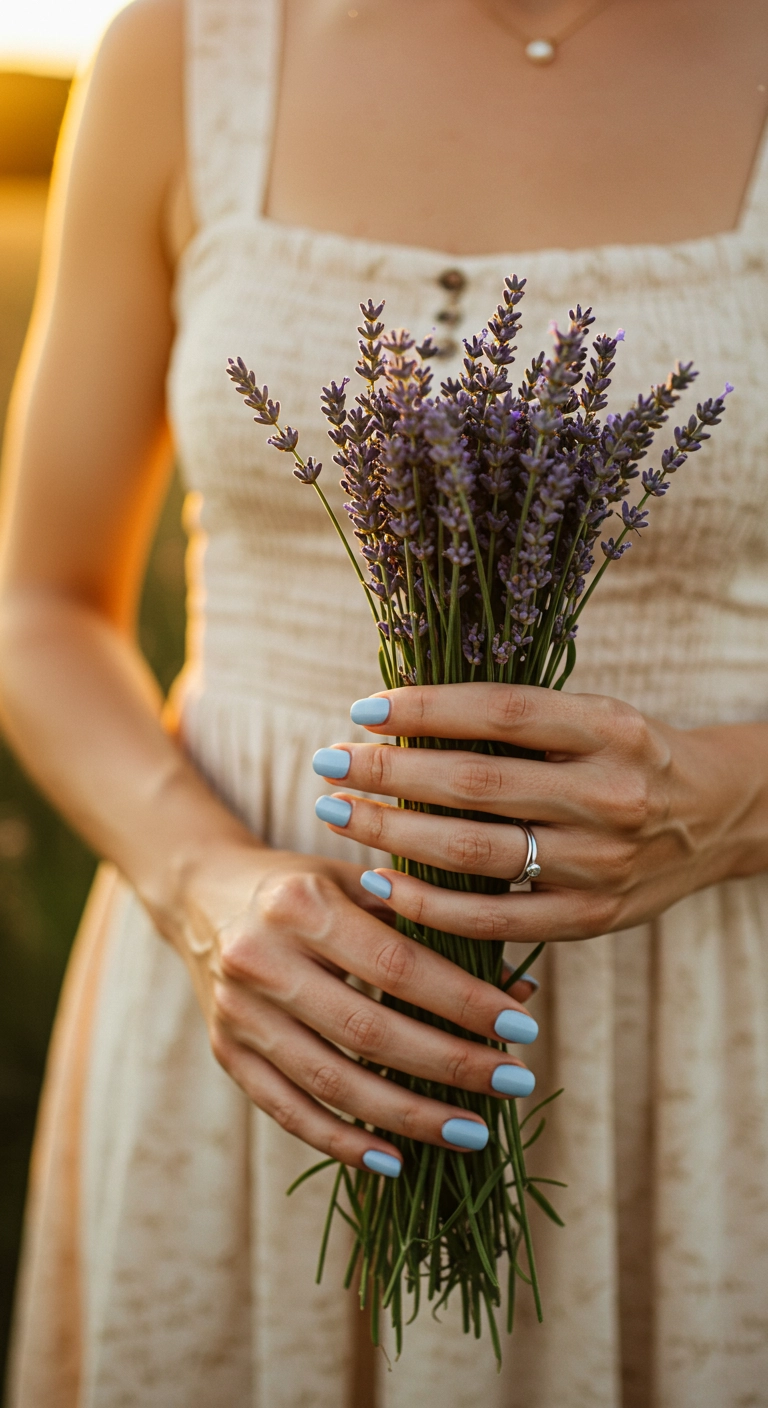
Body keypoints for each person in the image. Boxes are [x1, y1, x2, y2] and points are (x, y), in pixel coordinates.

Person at [1, 0, 767, 1404]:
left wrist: (730, 804)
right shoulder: (184, 51)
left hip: (708, 1037)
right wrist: (205, 890)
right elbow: (37, 604)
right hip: (257, 1017)